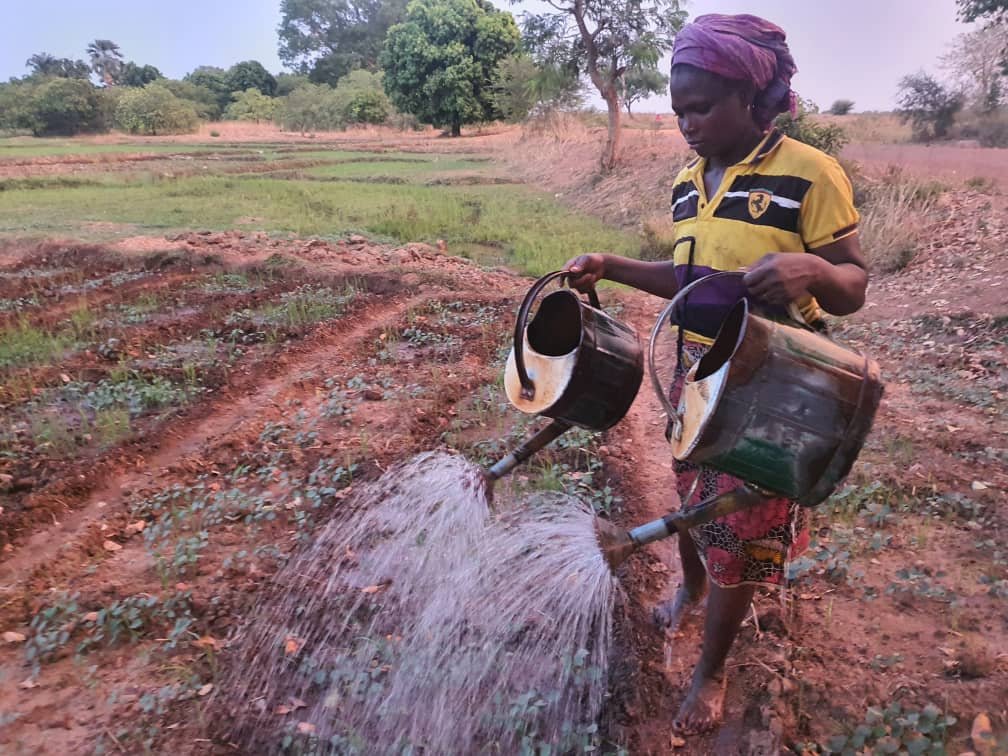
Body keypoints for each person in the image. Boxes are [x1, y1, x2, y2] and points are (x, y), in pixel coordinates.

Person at [564, 13, 868, 735]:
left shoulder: (809, 174)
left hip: (778, 387)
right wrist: (610, 266)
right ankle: (691, 593)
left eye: (700, 108)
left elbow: (854, 285)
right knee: (690, 489)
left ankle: (713, 669)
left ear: (753, 99)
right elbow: (686, 278)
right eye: (678, 112)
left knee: (737, 528)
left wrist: (815, 268)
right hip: (700, 373)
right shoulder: (686, 182)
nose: (687, 125)